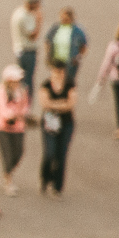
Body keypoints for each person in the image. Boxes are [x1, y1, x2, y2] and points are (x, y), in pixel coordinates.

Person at [39, 60, 77, 195]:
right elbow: (45, 103)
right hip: (49, 123)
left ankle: (57, 186)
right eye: (56, 71)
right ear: (52, 71)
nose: (59, 74)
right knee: (49, 152)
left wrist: (53, 105)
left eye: (61, 71)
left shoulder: (69, 84)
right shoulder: (46, 85)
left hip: (66, 123)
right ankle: (45, 177)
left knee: (61, 154)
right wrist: (61, 103)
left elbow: (71, 104)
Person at [0, 65, 31, 196]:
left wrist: (24, 114)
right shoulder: (2, 90)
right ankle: (7, 180)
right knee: (7, 155)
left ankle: (7, 173)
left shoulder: (22, 90)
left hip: (18, 127)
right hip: (3, 127)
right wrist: (16, 115)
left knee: (19, 153)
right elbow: (3, 110)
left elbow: (25, 105)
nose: (18, 82)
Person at [46, 7, 88, 87]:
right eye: (62, 17)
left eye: (66, 18)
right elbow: (48, 41)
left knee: (69, 82)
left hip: (70, 62)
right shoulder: (55, 28)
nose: (63, 19)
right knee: (56, 82)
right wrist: (48, 55)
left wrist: (79, 57)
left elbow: (84, 45)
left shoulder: (77, 31)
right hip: (57, 60)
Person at [10, 0, 43, 94]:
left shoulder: (19, 12)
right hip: (26, 52)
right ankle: (25, 105)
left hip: (21, 51)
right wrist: (39, 21)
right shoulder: (23, 16)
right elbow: (32, 36)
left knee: (21, 79)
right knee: (27, 81)